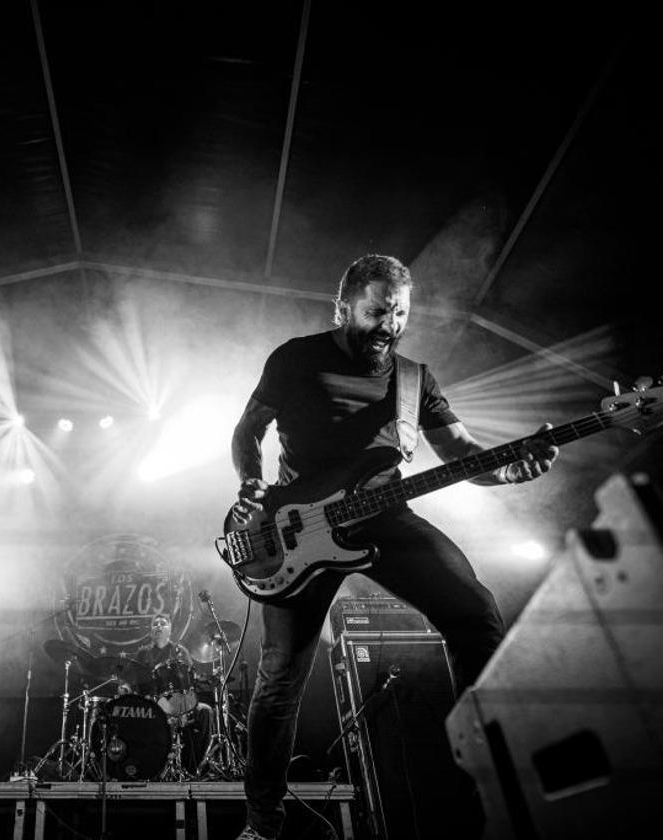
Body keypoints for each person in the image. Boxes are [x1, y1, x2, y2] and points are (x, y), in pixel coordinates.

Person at [228, 255, 558, 840]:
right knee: (281, 677)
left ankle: (494, 789)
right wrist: (251, 484)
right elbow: (248, 428)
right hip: (298, 528)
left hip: (384, 516)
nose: (391, 323)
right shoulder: (297, 357)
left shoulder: (415, 378)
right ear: (344, 307)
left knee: (476, 615)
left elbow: (460, 452)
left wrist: (506, 471)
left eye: (400, 311)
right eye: (378, 310)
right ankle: (262, 822)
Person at [127, 614, 216, 777]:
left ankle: (193, 767)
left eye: (163, 623)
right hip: (152, 705)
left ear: (170, 629)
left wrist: (184, 709)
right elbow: (136, 685)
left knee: (206, 711)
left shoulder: (180, 652)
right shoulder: (143, 653)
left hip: (180, 704)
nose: (159, 626)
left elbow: (190, 685)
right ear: (151, 631)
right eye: (155, 624)